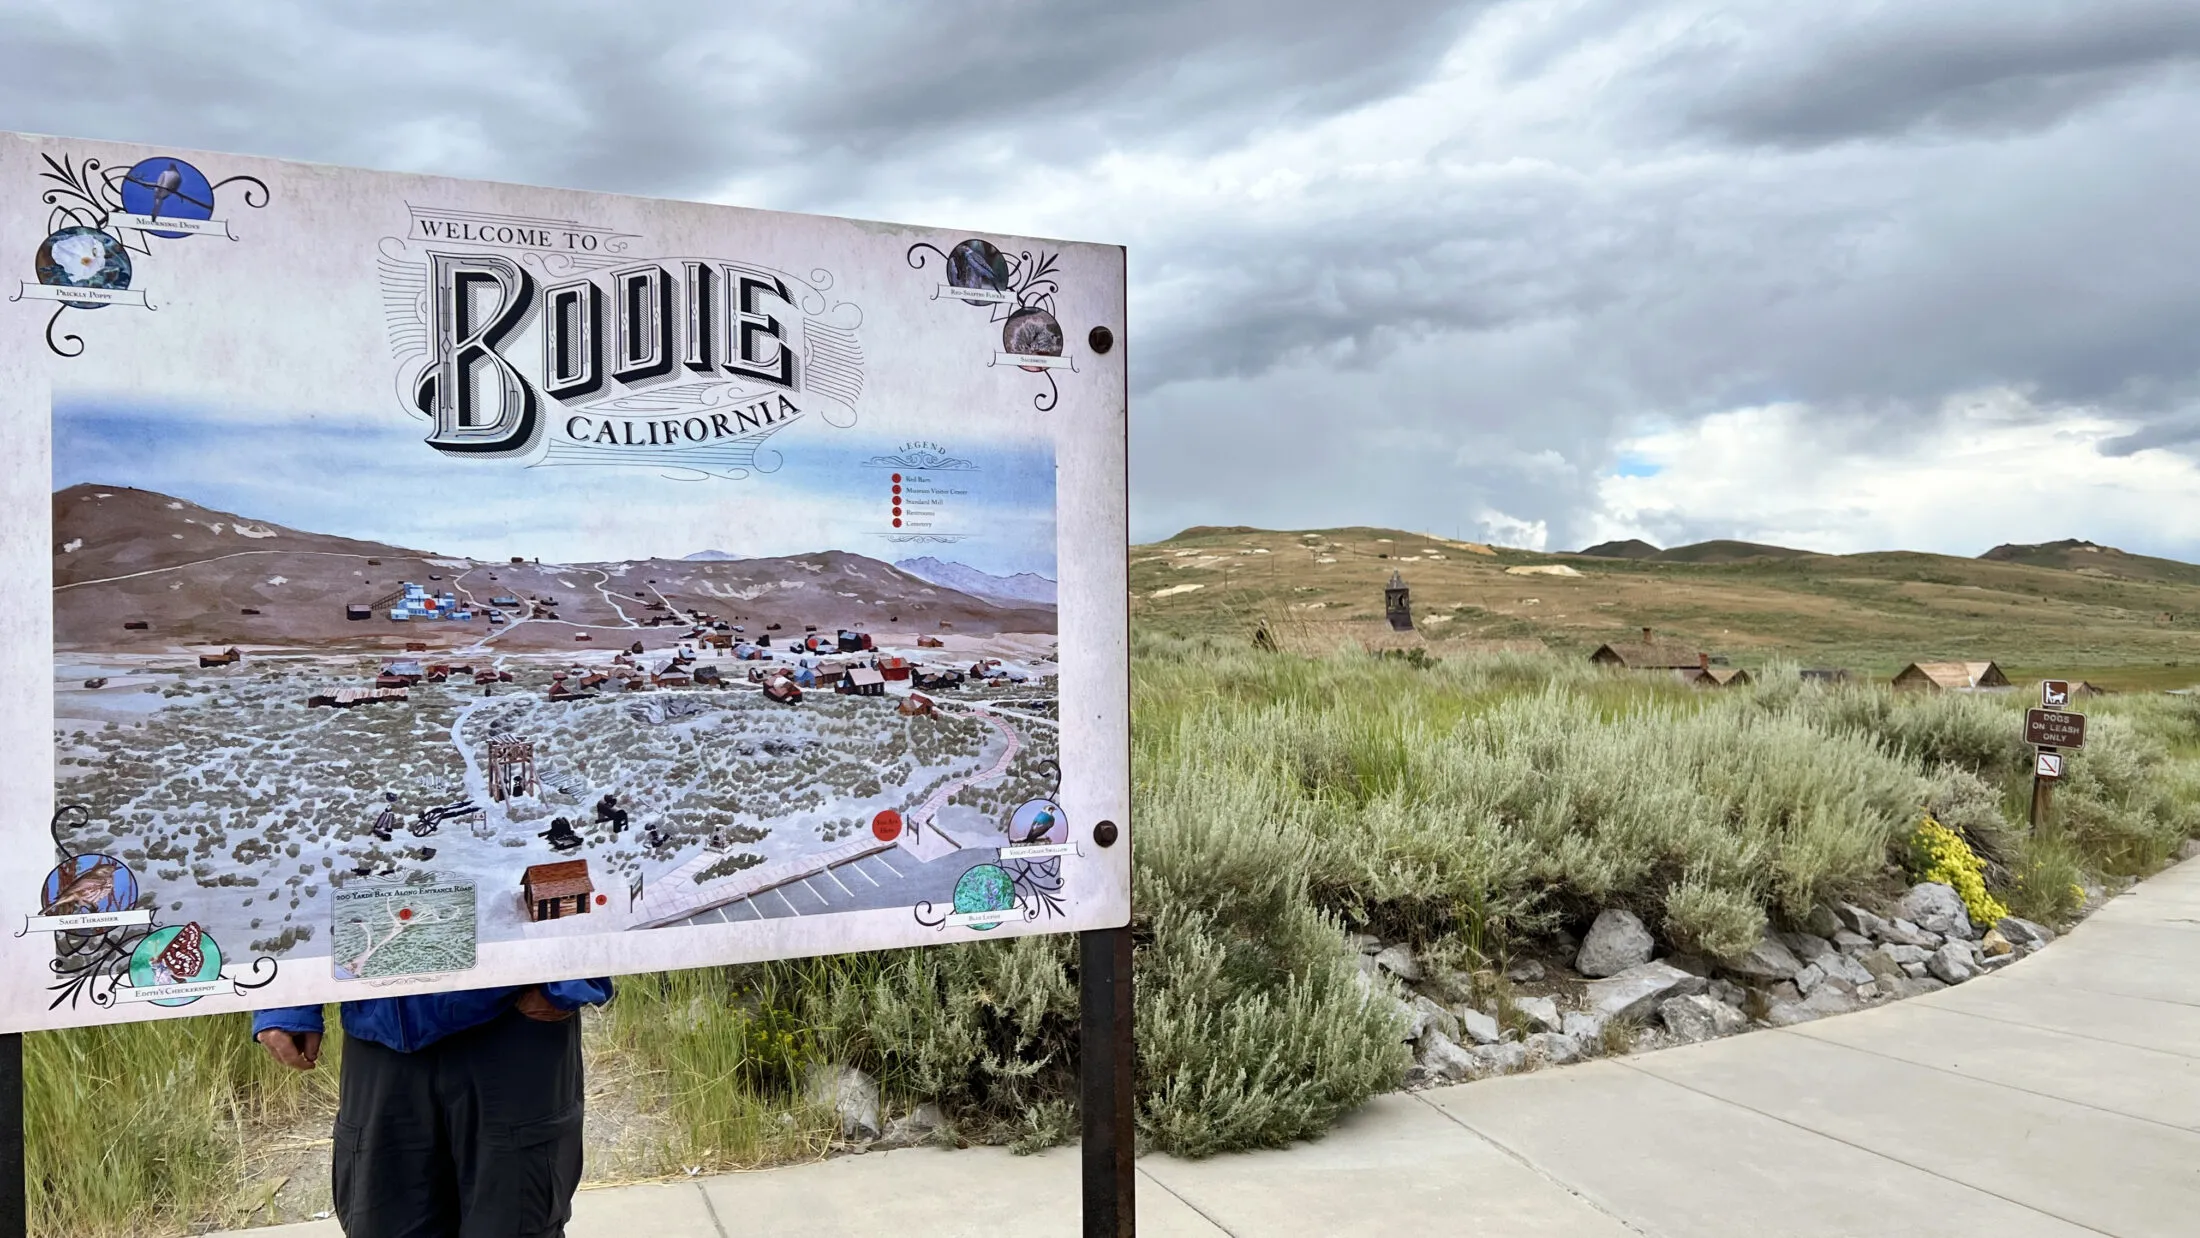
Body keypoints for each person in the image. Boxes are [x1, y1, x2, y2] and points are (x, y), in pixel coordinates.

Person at [255, 978, 612, 1237]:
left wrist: (569, 980)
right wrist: (287, 995)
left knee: (514, 1221)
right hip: (378, 1028)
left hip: (514, 1019)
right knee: (383, 1222)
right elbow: (293, 878)